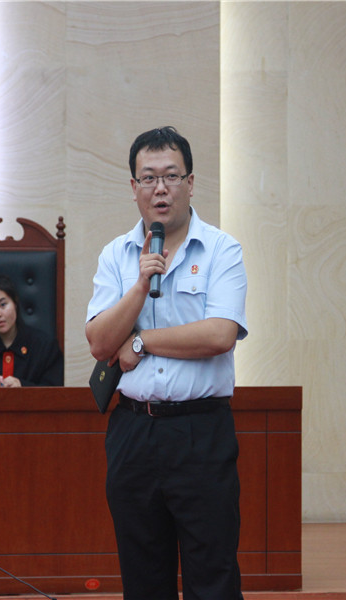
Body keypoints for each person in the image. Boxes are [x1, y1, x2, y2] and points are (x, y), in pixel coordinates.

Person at [85, 126, 248, 600]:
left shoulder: (222, 249)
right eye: (149, 178)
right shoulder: (116, 255)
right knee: (143, 578)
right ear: (133, 187)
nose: (161, 189)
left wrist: (141, 341)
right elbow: (100, 342)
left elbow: (219, 335)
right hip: (134, 432)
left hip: (200, 432)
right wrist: (139, 287)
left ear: (191, 183)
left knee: (212, 576)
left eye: (172, 176)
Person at [0, 273, 64, 387]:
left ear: (15, 303)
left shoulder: (45, 347)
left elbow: (55, 392)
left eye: (3, 305)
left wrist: (22, 386)